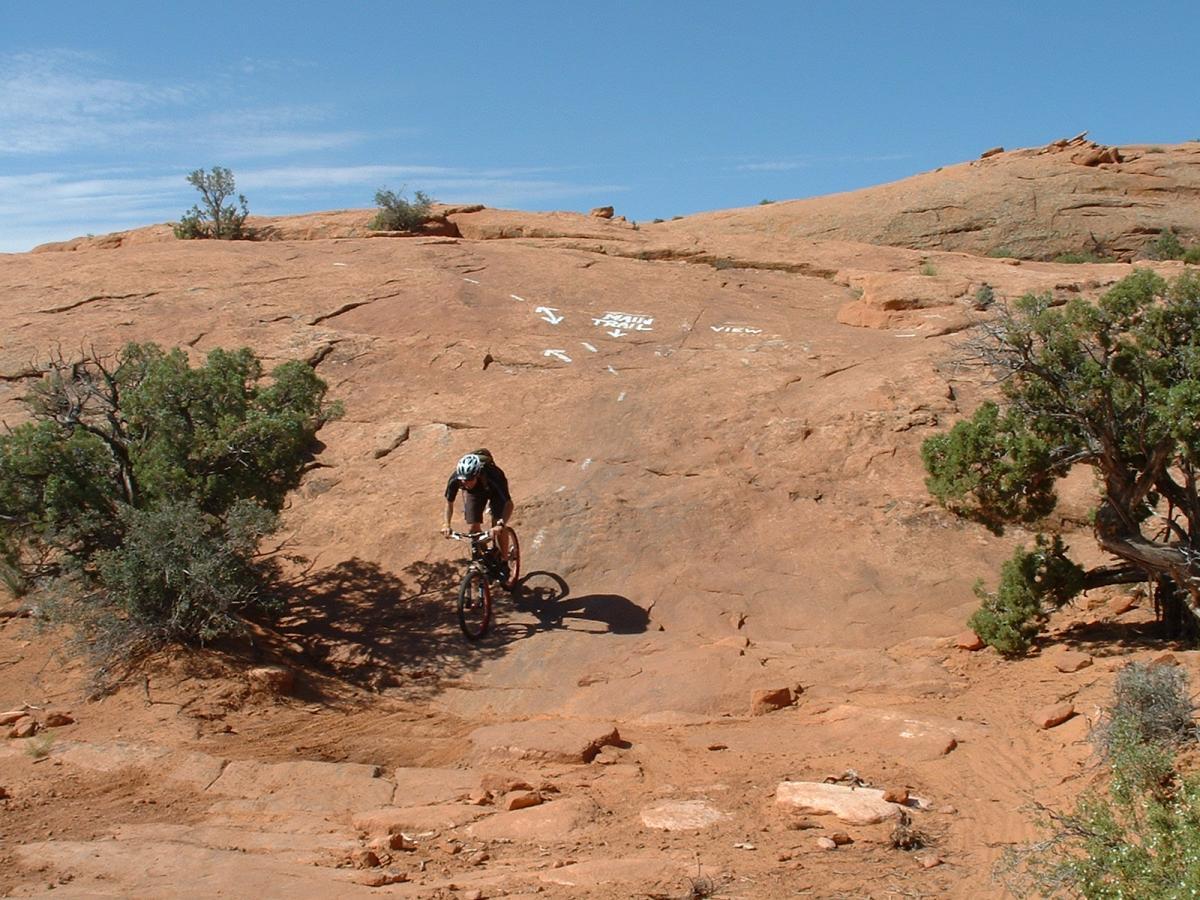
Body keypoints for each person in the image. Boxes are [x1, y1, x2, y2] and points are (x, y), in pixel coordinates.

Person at [441, 451, 515, 563]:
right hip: (475, 493)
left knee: (497, 523)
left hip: (494, 491)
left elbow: (509, 504)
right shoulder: (456, 479)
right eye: (463, 480)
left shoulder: (494, 475)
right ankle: (485, 557)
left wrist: (501, 524)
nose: (465, 483)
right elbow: (449, 502)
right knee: (472, 528)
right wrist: (446, 524)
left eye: (469, 479)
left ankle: (504, 559)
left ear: (477, 474)